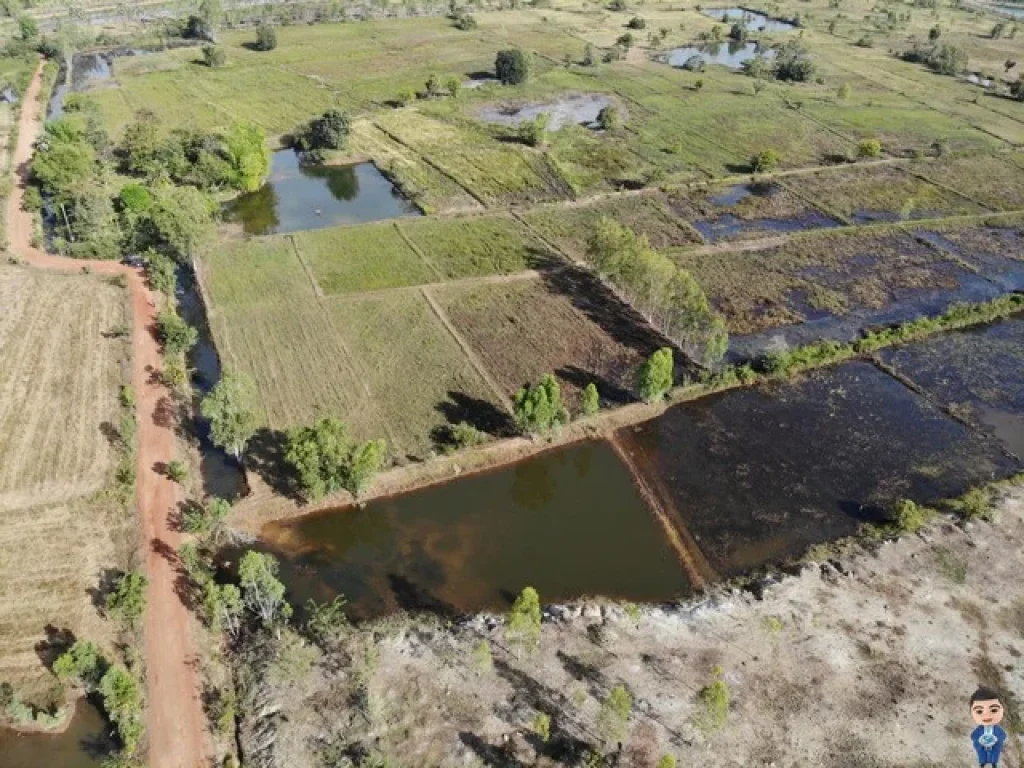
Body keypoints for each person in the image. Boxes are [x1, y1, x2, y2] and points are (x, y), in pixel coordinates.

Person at [970, 686, 1007, 767]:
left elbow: (1003, 735)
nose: (987, 715)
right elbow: (973, 736)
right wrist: (978, 740)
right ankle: (982, 763)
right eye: (979, 711)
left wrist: (997, 739)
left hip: (994, 744)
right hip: (982, 745)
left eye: (993, 710)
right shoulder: (979, 730)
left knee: (995, 753)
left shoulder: (997, 729)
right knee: (981, 753)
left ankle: (994, 763)